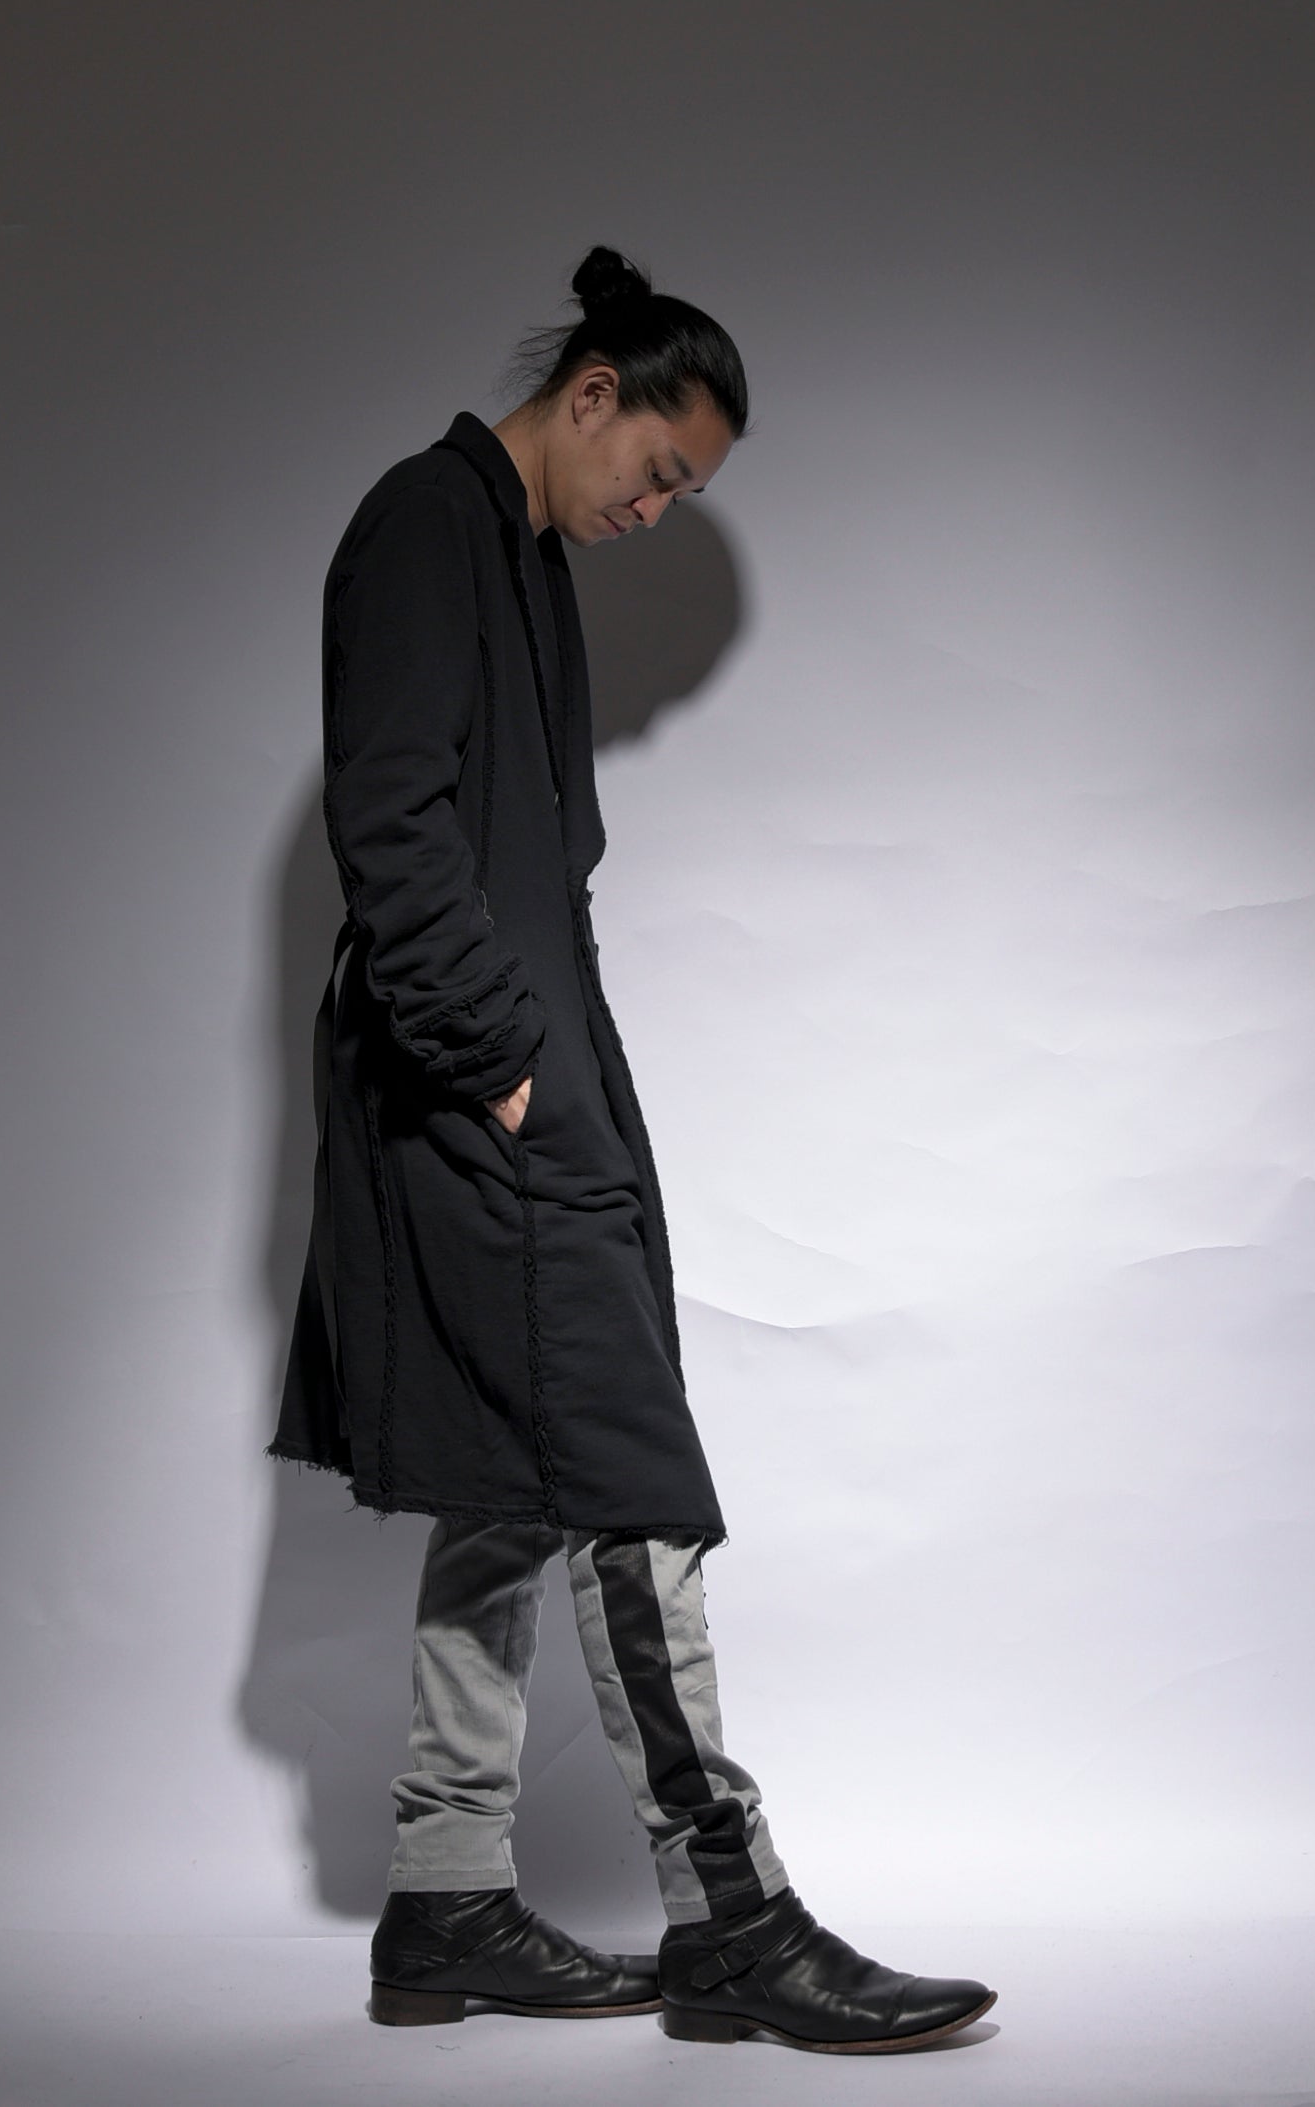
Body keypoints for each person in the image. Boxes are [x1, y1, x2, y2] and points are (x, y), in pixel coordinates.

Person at [265, 244, 997, 2053]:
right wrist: (503, 1068)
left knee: (519, 1476)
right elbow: (389, 818)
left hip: (530, 1073)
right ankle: (730, 1914)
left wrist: (562, 1070)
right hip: (470, 1086)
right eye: (659, 471)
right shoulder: (425, 524)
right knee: (627, 1473)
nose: (655, 512)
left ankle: (444, 1897)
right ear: (591, 393)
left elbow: (532, 862)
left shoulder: (518, 559)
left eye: (686, 498)